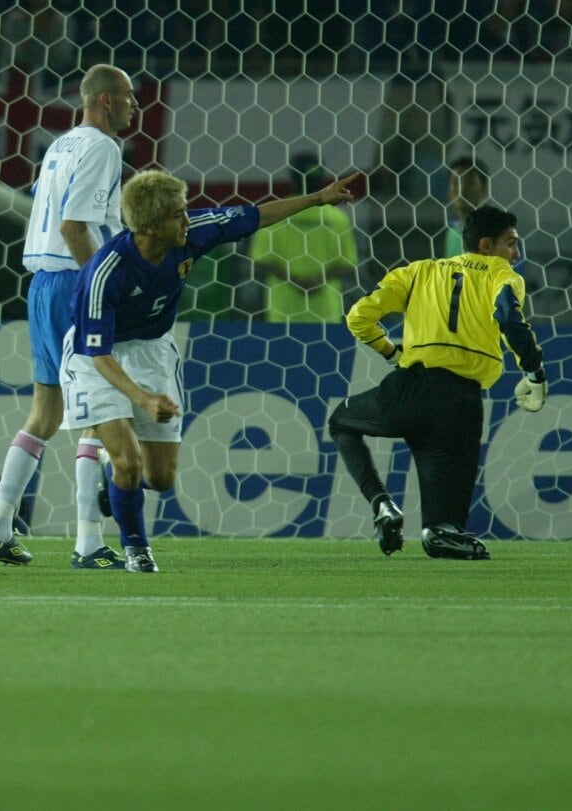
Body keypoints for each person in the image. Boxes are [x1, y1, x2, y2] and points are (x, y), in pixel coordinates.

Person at [62, 167, 360, 572]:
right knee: (128, 462)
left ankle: (113, 484)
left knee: (161, 478)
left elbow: (254, 217)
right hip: (99, 359)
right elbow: (99, 356)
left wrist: (316, 199)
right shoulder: (105, 272)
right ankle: (137, 549)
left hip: (152, 351)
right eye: (177, 215)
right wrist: (144, 399)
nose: (188, 220)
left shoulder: (193, 233)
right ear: (149, 226)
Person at [0, 63, 135, 571]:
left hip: (41, 285)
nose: (135, 105)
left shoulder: (61, 144)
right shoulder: (103, 148)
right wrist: (100, 284)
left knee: (44, 415)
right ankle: (88, 542)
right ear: (106, 100)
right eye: (129, 97)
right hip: (73, 284)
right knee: (92, 415)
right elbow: (73, 226)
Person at [328, 204, 547, 560]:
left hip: (408, 389)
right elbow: (508, 317)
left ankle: (382, 505)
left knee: (341, 422)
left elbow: (358, 317)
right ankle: (438, 532)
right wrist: (534, 372)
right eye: (511, 243)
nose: (516, 253)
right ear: (486, 246)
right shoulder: (501, 275)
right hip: (459, 406)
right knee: (444, 526)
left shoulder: (417, 272)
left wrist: (389, 351)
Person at [248, 151, 359, 323]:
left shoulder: (276, 212)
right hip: (326, 312)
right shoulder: (337, 218)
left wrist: (295, 281)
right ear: (323, 177)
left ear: (292, 177)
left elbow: (261, 259)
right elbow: (348, 263)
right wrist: (319, 280)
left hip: (283, 310)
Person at [442, 156, 489, 257]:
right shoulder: (452, 230)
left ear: (485, 187)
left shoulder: (500, 231)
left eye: (470, 182)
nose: (462, 190)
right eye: (455, 182)